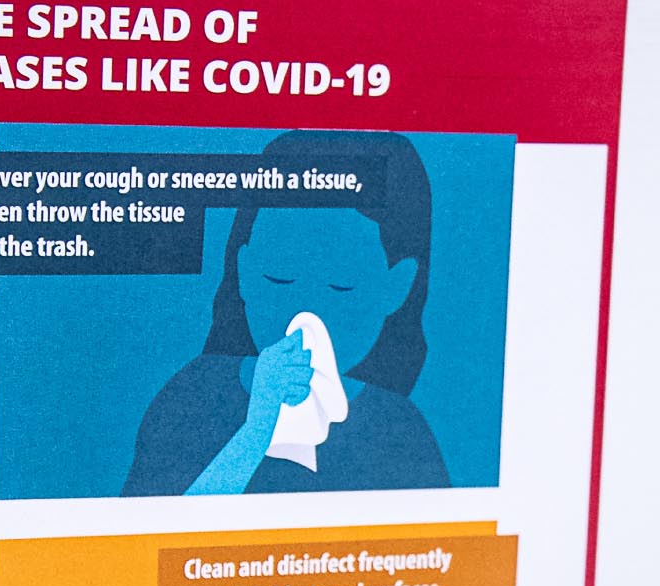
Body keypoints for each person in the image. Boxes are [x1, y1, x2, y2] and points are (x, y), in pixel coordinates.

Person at [122, 132, 453, 497]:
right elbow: (146, 536)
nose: (304, 311)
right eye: (279, 278)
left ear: (396, 287)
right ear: (245, 272)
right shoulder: (195, 396)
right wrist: (255, 429)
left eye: (341, 287)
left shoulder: (399, 430)